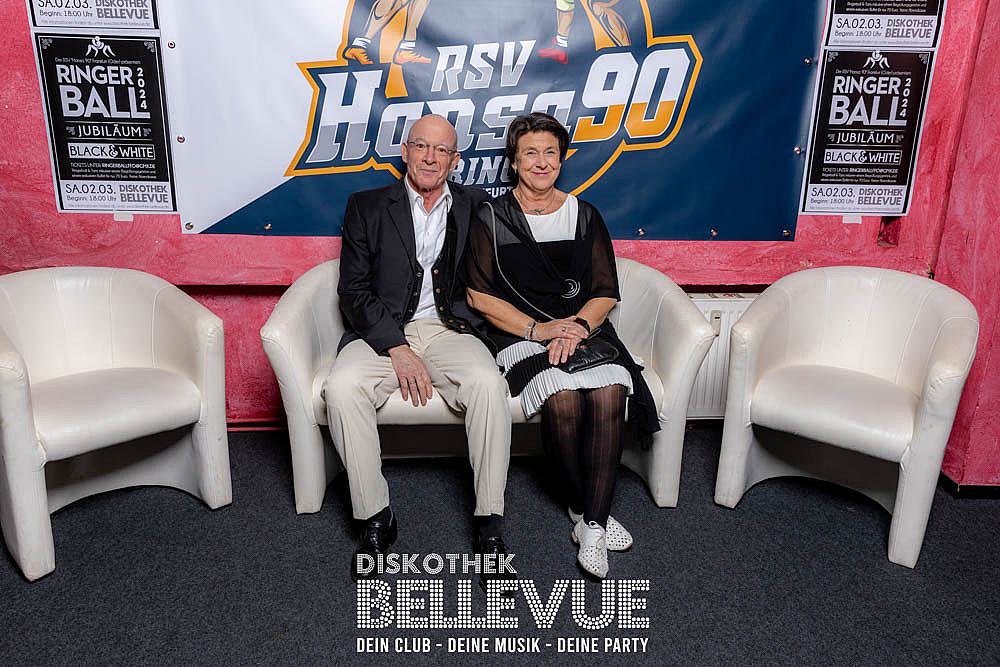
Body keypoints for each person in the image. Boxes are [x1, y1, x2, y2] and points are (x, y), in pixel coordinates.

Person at [465, 112, 658, 579]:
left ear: (561, 159)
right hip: (519, 334)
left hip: (582, 330)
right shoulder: (491, 216)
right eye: (530, 152)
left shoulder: (584, 214)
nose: (541, 162)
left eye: (550, 152)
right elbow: (478, 295)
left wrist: (576, 328)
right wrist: (540, 330)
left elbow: (605, 290)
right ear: (514, 162)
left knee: (611, 390)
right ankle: (583, 507)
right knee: (564, 397)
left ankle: (591, 524)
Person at [326, 114, 512, 590]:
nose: (430, 157)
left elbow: (497, 274)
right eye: (421, 146)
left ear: (455, 160)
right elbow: (353, 290)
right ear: (405, 151)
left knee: (488, 385)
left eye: (442, 150)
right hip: (383, 331)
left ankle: (489, 522)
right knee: (342, 387)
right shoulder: (367, 206)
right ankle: (376, 516)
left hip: (450, 329)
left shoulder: (476, 205)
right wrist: (396, 345)